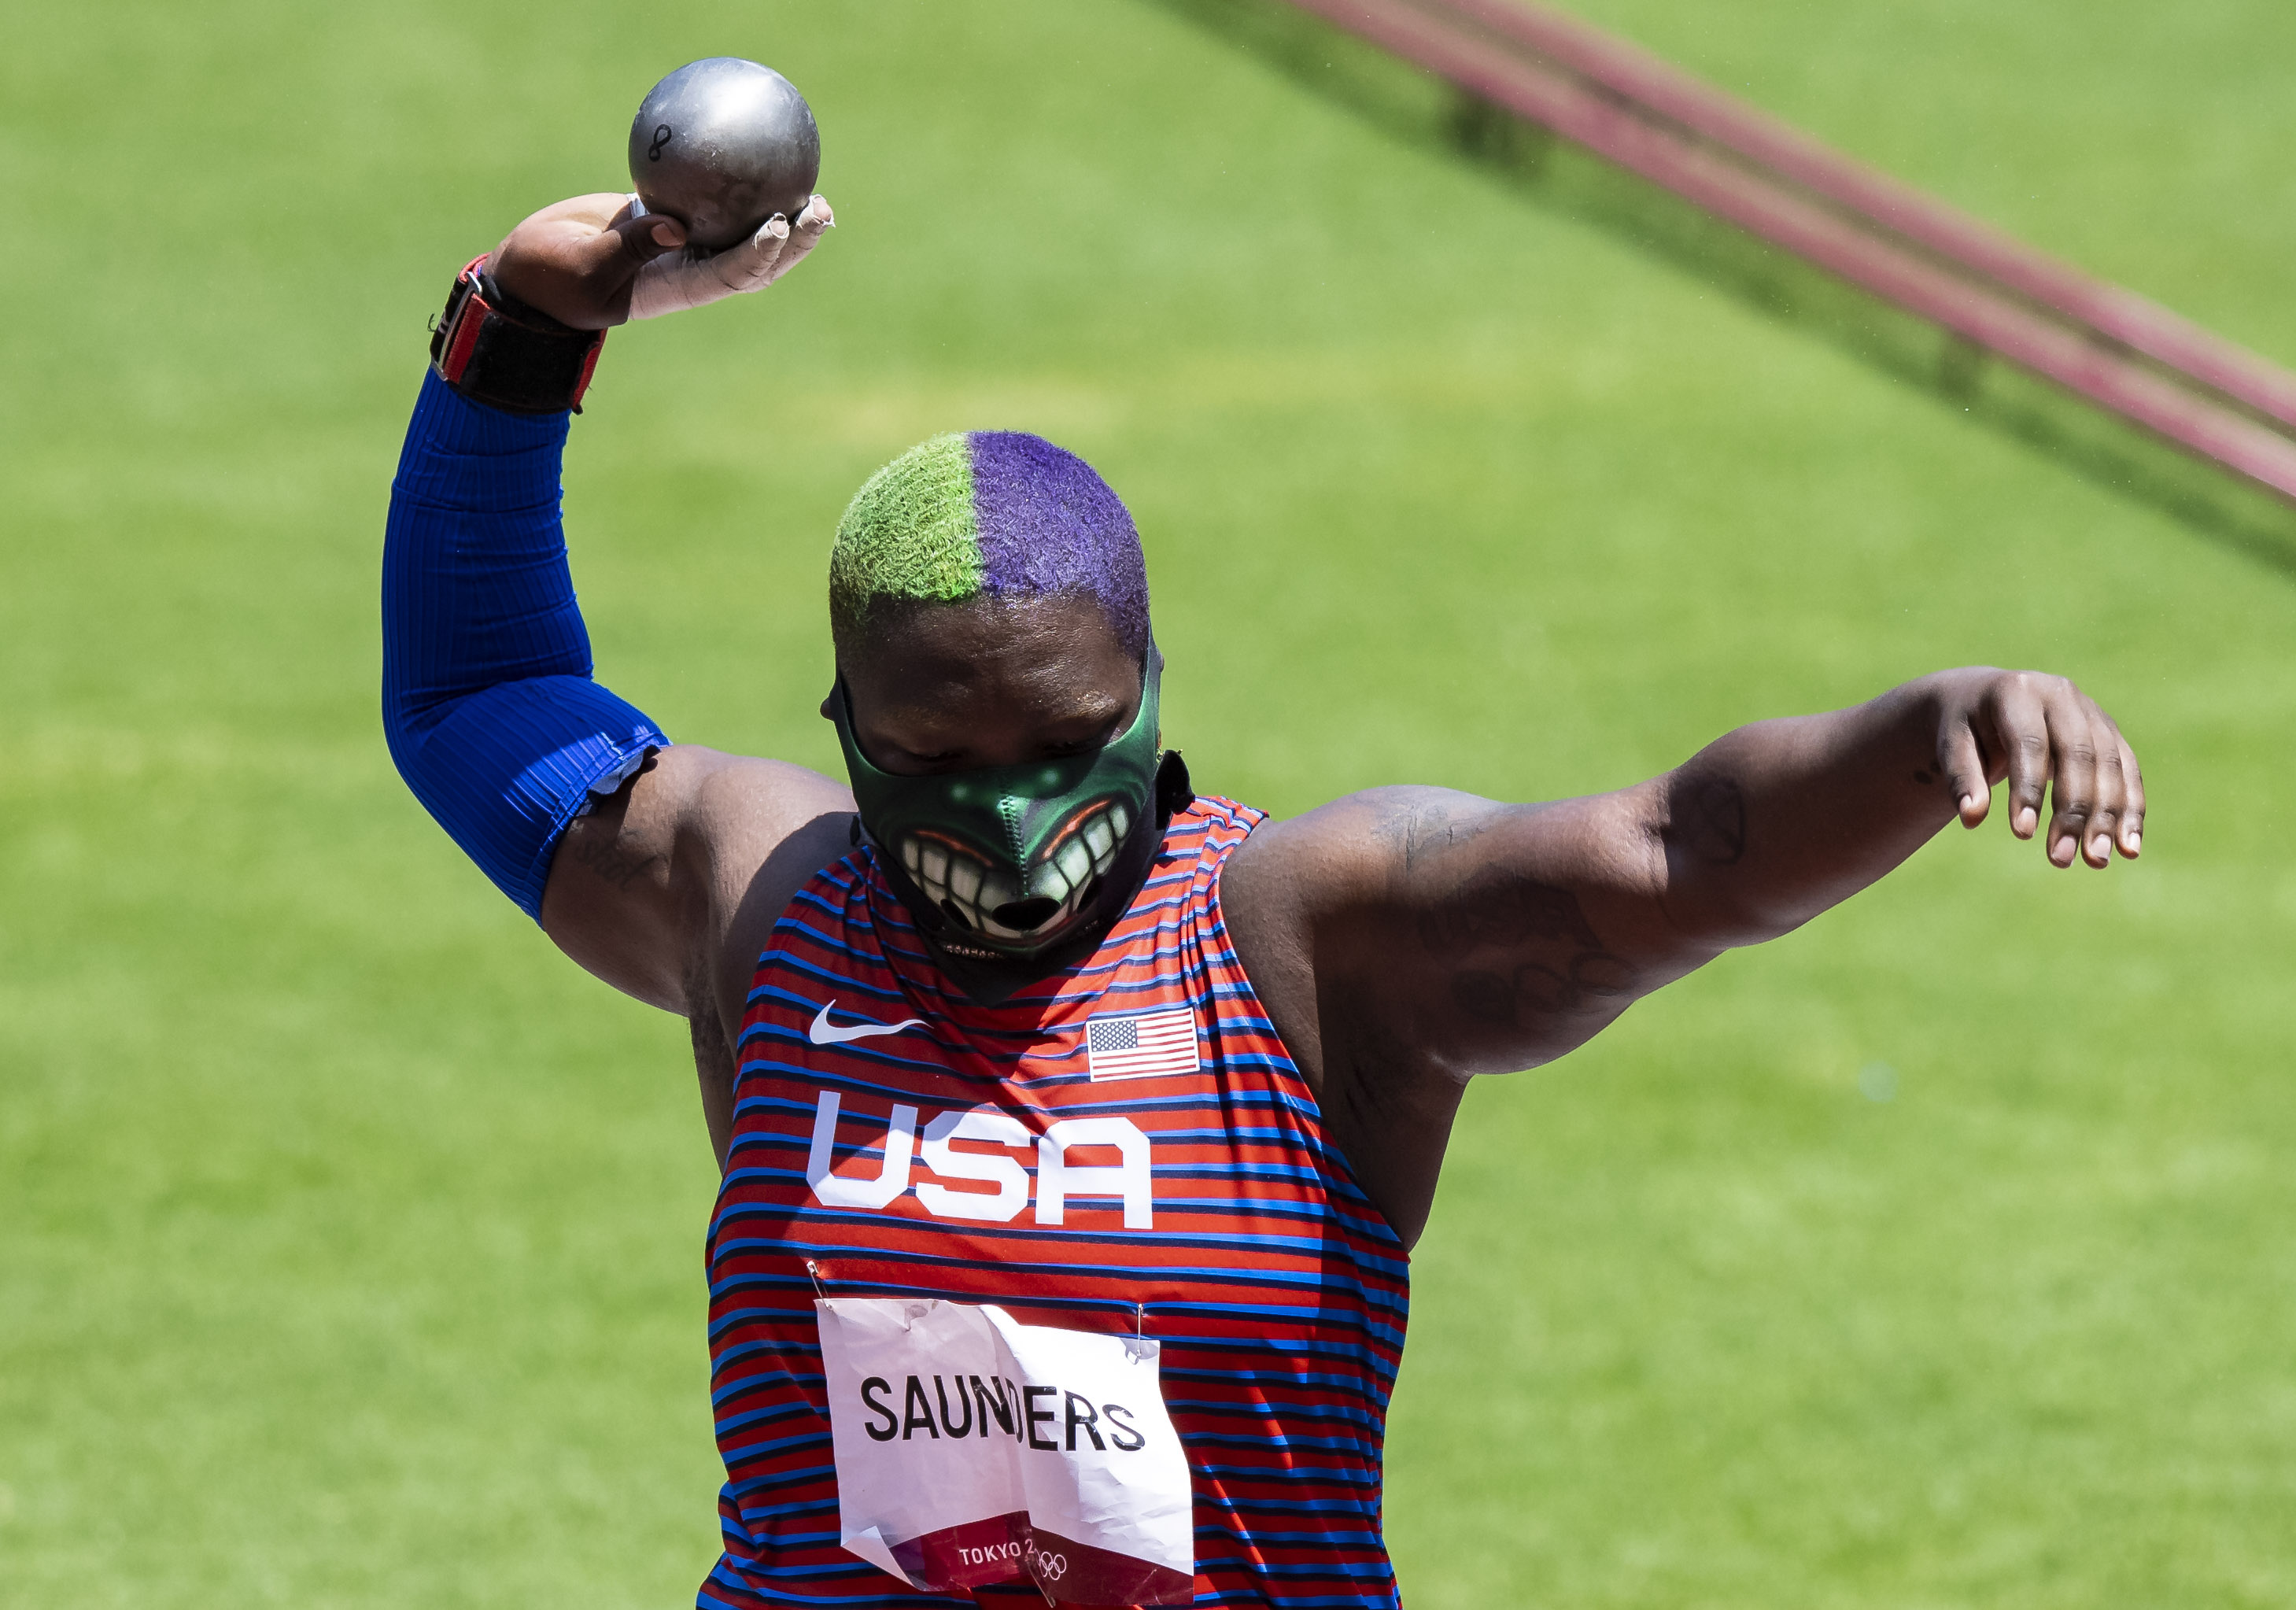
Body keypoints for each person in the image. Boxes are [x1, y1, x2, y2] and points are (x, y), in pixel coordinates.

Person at [385, 191, 2145, 1610]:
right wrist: (520, 328)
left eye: (1068, 739)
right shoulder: (764, 899)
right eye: (937, 753)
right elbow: (475, 703)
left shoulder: (1318, 942)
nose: (1012, 814)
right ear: (845, 728)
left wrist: (1934, 731)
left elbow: (1681, 850)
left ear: (1153, 693)